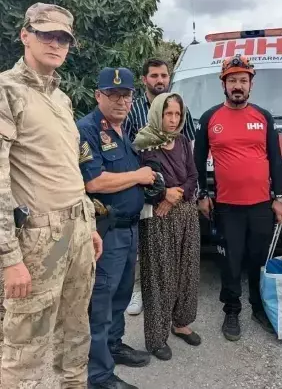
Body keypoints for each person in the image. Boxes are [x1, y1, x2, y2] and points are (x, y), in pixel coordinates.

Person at [0, 2, 102, 388]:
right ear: (25, 34)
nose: (55, 43)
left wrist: (88, 226)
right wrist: (9, 258)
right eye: (46, 34)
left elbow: (69, 171)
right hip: (39, 239)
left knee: (75, 333)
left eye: (63, 38)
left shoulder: (61, 99)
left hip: (70, 235)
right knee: (24, 349)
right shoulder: (6, 90)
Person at [193, 54, 282, 342]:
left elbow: (275, 159)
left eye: (243, 81)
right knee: (230, 262)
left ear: (251, 85)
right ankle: (231, 310)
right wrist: (202, 194)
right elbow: (198, 161)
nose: (238, 86)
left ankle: (259, 308)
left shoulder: (263, 116)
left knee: (259, 260)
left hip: (260, 206)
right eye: (232, 80)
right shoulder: (210, 118)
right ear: (223, 84)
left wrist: (280, 196)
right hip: (227, 207)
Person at [78, 67, 157, 389]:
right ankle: (98, 375)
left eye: (126, 95)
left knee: (122, 294)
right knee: (102, 301)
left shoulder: (126, 130)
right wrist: (139, 176)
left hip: (129, 228)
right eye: (113, 96)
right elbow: (93, 180)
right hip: (105, 230)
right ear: (98, 96)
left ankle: (114, 345)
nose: (121, 101)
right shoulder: (87, 130)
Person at [123, 58, 196, 316]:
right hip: (145, 188)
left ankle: (172, 303)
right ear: (145, 79)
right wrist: (160, 191)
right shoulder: (133, 110)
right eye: (154, 75)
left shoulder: (177, 106)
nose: (160, 80)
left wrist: (177, 192)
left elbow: (187, 151)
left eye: (164, 75)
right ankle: (138, 291)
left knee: (168, 255)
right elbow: (129, 150)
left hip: (177, 194)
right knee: (145, 249)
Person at [133, 93, 201, 360]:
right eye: (167, 114)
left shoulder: (182, 141)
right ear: (157, 113)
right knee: (160, 277)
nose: (173, 120)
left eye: (177, 114)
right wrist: (163, 195)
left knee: (187, 272)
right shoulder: (144, 144)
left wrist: (176, 196)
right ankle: (156, 337)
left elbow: (193, 175)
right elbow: (142, 182)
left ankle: (180, 323)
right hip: (158, 219)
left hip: (184, 213)